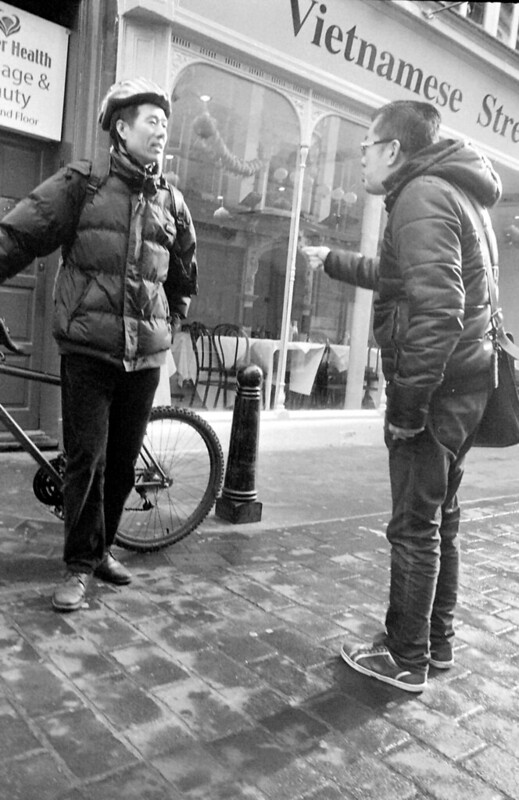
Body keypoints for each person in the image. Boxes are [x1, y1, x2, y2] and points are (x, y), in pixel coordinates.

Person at [304, 100, 501, 692]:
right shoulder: (454, 191)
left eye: (367, 144)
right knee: (441, 519)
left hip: (437, 393)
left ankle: (405, 657)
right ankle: (435, 643)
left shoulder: (421, 195)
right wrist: (335, 261)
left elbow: (439, 310)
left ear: (393, 149)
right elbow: (402, 277)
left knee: (414, 525)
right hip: (468, 384)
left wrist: (408, 409)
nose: (361, 155)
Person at [0, 77, 198, 612]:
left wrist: (169, 324)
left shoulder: (172, 202)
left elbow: (183, 274)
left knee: (123, 463)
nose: (161, 130)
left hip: (145, 355)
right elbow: (18, 235)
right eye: (151, 120)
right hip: (89, 348)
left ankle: (103, 548)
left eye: (165, 122)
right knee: (85, 461)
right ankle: (79, 566)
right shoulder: (82, 184)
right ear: (121, 128)